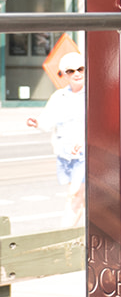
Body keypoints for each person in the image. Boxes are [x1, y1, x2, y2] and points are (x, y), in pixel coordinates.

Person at [28, 51, 86, 225]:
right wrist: (36, 122)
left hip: (86, 155)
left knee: (75, 195)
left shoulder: (93, 95)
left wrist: (84, 141)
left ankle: (64, 236)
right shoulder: (59, 96)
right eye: (70, 71)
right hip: (66, 156)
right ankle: (80, 235)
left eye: (80, 69)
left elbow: (99, 122)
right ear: (64, 75)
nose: (76, 73)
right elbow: (47, 120)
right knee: (78, 197)